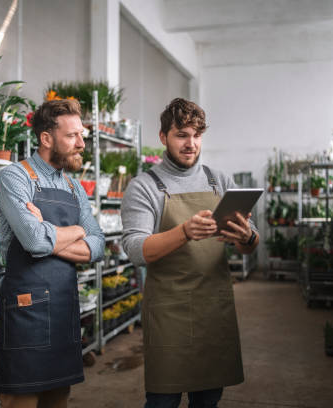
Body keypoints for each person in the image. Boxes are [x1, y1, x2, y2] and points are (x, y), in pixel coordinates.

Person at [121, 98, 259, 408]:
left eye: (196, 135)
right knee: (163, 400)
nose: (190, 143)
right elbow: (135, 249)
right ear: (163, 138)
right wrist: (184, 232)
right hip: (170, 311)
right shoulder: (145, 186)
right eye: (181, 134)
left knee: (209, 399)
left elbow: (249, 244)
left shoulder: (219, 181)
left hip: (214, 308)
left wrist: (247, 237)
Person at [0, 99, 105, 408]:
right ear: (46, 138)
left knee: (59, 397)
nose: (81, 143)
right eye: (72, 136)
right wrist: (77, 231)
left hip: (63, 307)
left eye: (82, 135)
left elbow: (98, 245)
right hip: (25, 309)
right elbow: (34, 242)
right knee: (22, 398)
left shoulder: (74, 187)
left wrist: (51, 230)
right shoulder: (15, 177)